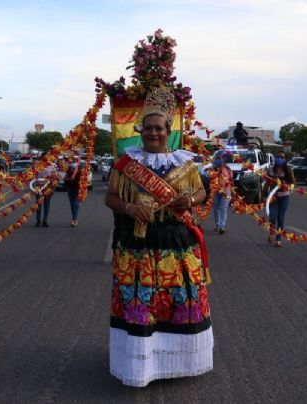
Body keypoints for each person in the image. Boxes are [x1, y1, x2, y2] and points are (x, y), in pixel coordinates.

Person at [105, 87, 212, 387]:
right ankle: (139, 363)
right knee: (141, 303)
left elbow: (202, 191)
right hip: (137, 244)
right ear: (140, 131)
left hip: (175, 242)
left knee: (177, 300)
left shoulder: (184, 162)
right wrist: (129, 207)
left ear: (169, 131)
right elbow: (110, 198)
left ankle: (176, 362)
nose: (154, 134)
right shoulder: (126, 164)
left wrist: (190, 201)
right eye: (148, 129)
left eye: (159, 129)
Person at [266, 152, 295, 247]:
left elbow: (293, 183)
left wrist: (287, 185)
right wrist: (263, 195)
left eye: (282, 157)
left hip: (284, 196)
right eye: (278, 157)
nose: (279, 158)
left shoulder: (288, 170)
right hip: (273, 197)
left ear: (285, 159)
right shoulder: (271, 170)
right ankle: (271, 233)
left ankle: (278, 240)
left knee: (281, 218)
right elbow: (267, 183)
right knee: (273, 217)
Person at [211, 154, 232, 234]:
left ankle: (222, 227)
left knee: (224, 208)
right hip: (216, 191)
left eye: (221, 160)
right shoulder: (213, 170)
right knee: (216, 209)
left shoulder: (228, 169)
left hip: (226, 192)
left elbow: (231, 180)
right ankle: (217, 225)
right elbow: (210, 179)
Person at [34, 161, 58, 228]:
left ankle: (45, 220)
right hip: (39, 187)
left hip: (49, 188)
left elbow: (55, 176)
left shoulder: (53, 166)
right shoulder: (38, 165)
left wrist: (54, 182)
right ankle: (38, 220)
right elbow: (34, 176)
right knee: (38, 204)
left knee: (47, 204)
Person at [64, 156, 81, 227]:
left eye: (75, 160)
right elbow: (65, 178)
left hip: (78, 188)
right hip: (70, 188)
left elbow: (84, 178)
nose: (74, 161)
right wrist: (69, 179)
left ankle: (74, 219)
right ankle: (74, 218)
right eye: (73, 159)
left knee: (76, 203)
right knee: (72, 204)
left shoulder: (80, 169)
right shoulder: (68, 169)